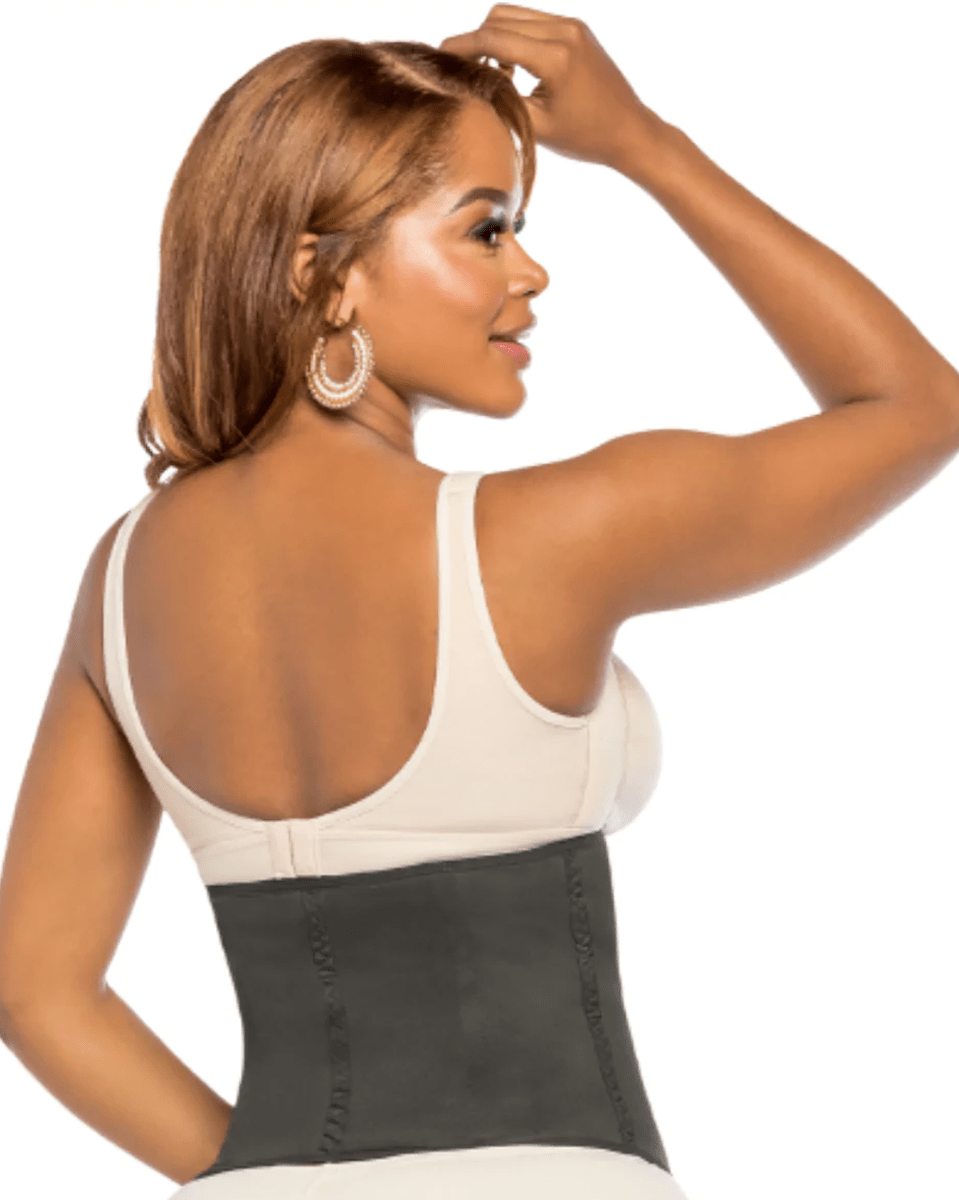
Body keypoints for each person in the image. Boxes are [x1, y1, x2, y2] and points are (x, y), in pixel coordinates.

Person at [1, 4, 958, 1198]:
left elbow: (34, 991)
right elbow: (914, 408)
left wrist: (281, 1179)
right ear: (326, 275)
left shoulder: (124, 575)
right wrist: (645, 144)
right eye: (485, 227)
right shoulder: (544, 536)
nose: (529, 271)